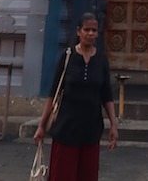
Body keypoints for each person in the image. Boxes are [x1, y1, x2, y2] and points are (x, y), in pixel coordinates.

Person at [34, 13, 118, 181]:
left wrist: (113, 126)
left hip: (91, 129)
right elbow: (53, 93)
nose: (91, 33)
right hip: (66, 128)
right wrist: (41, 126)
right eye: (87, 29)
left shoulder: (101, 59)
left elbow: (106, 95)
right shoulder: (67, 57)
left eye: (94, 30)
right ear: (79, 31)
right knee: (62, 176)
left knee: (87, 175)